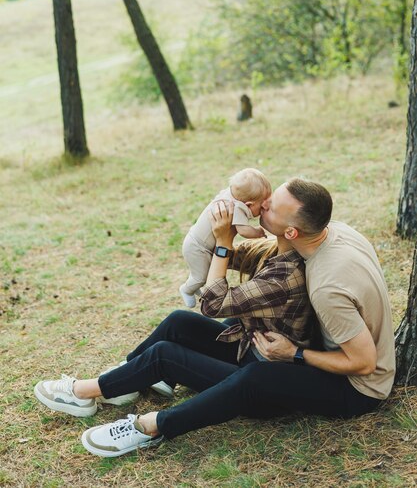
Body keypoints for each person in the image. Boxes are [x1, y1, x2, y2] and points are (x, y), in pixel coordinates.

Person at [34, 178, 396, 459]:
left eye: (269, 208)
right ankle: (123, 380)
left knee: (217, 365)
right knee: (179, 322)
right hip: (306, 345)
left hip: (354, 389)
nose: (263, 205)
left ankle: (147, 426)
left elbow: (364, 364)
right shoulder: (327, 233)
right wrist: (215, 235)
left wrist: (293, 355)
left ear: (291, 232)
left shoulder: (324, 286)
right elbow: (255, 255)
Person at [180, 167, 271, 307]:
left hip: (196, 242)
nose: (264, 207)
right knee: (201, 277)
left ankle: (196, 285)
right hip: (198, 247)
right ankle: (187, 289)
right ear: (249, 204)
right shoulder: (238, 207)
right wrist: (258, 232)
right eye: (262, 205)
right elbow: (244, 231)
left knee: (204, 273)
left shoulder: (229, 194)